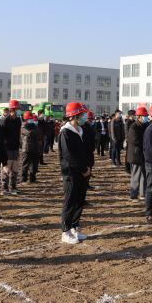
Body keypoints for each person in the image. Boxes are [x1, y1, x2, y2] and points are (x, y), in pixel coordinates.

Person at [58, 102, 91, 244]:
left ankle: (74, 227)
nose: (84, 117)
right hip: (71, 173)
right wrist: (82, 169)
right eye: (81, 114)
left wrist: (87, 167)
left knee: (79, 201)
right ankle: (65, 231)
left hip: (82, 172)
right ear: (74, 115)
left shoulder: (80, 130)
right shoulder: (65, 132)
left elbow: (85, 152)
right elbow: (69, 156)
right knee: (70, 202)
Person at [0, 100, 22, 195]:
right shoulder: (5, 120)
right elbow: (1, 135)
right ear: (12, 109)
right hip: (7, 148)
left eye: (17, 109)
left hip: (15, 147)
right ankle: (4, 188)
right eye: (16, 109)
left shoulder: (18, 120)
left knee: (15, 168)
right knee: (6, 168)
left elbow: (18, 133)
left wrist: (19, 144)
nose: (17, 111)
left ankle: (13, 187)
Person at [126, 106, 148, 199]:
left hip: (143, 154)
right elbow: (134, 140)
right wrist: (146, 143)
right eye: (144, 116)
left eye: (146, 116)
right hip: (136, 154)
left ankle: (143, 193)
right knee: (136, 175)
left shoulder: (145, 125)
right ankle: (133, 194)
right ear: (139, 117)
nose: (146, 117)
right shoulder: (134, 127)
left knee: (144, 174)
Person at [20, 111, 42, 184]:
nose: (31, 120)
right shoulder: (23, 126)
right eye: (29, 119)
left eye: (31, 119)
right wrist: (35, 132)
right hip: (26, 149)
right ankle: (24, 179)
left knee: (34, 165)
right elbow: (29, 133)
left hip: (35, 148)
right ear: (26, 119)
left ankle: (33, 178)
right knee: (25, 165)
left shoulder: (35, 126)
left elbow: (39, 134)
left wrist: (35, 131)